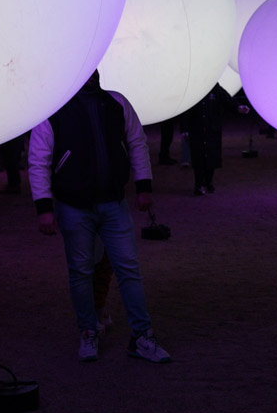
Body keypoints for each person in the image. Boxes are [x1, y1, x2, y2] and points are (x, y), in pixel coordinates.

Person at [29, 70, 171, 364]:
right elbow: (38, 158)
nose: (89, 73)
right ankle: (88, 330)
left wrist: (144, 186)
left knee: (128, 269)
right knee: (81, 272)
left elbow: (137, 142)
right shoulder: (53, 110)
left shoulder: (116, 103)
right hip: (73, 205)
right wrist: (43, 207)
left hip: (112, 202)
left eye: (93, 67)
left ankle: (142, 336)